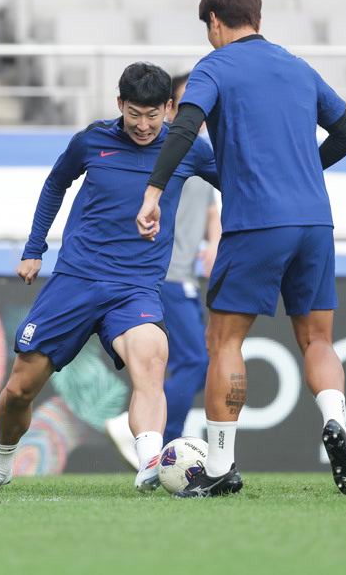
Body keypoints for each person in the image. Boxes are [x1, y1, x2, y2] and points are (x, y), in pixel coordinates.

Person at [136, 0, 346, 498]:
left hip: (256, 222)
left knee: (225, 342)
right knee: (318, 339)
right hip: (315, 222)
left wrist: (153, 191)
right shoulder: (298, 66)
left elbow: (184, 127)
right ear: (257, 17)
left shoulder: (214, 67)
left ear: (215, 21)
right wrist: (303, 171)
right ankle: (336, 421)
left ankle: (219, 466)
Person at [0, 62, 218, 494]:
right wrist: (33, 249)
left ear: (169, 108)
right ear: (119, 104)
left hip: (136, 285)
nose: (143, 124)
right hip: (76, 280)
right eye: (134, 113)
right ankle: (0, 465)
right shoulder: (91, 141)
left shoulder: (188, 148)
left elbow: (240, 184)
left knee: (152, 359)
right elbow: (54, 185)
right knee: (20, 389)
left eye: (153, 115)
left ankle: (150, 463)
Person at [106, 73, 220, 466]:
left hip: (185, 273)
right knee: (194, 360)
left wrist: (215, 243)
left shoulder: (198, 150)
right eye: (187, 100)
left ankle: (158, 439)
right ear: (172, 107)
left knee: (182, 361)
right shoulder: (166, 147)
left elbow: (211, 209)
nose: (196, 108)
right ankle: (157, 441)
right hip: (165, 272)